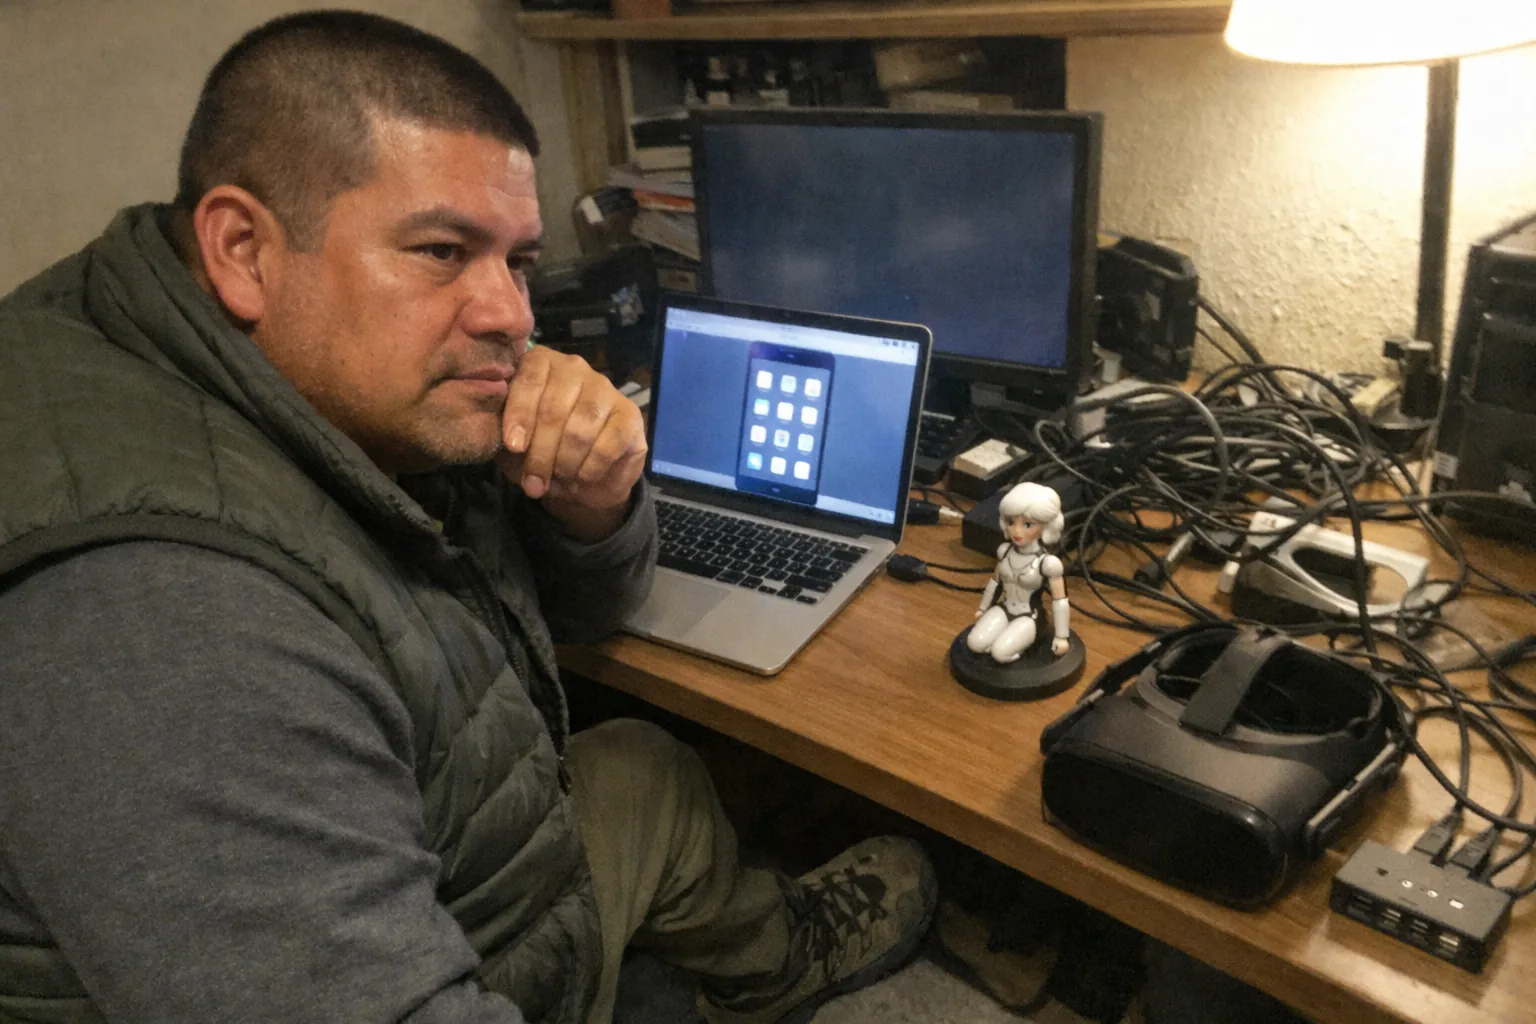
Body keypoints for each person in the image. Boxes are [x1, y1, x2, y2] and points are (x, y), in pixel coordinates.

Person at [0, 11, 934, 1024]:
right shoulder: (167, 629)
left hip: (457, 862)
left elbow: (587, 614)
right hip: (444, 956)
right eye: (443, 250)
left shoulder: (340, 380)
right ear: (241, 248)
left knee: (650, 769)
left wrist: (593, 510)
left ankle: (773, 966)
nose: (511, 314)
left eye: (519, 261)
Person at [968, 482, 1071, 663]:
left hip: (1030, 617)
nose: (1017, 531)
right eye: (1011, 522)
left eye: (1027, 524)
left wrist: (1061, 636)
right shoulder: (1004, 551)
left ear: (1046, 526)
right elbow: (994, 582)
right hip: (1004, 608)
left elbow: (1060, 601)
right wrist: (983, 608)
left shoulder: (1047, 563)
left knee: (1000, 654)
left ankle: (1014, 646)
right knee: (975, 644)